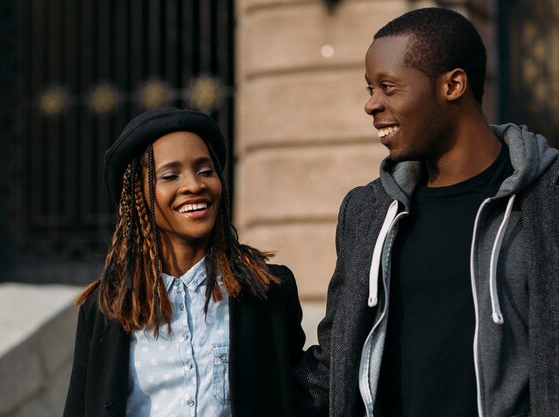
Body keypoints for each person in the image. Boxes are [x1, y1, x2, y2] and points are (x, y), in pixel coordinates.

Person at [294, 7, 559, 417]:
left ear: (452, 85)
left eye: (388, 87)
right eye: (369, 89)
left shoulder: (547, 197)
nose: (371, 105)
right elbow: (335, 363)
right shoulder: (367, 210)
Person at [63, 107, 305, 417]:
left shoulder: (268, 291)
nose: (194, 185)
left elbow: (300, 395)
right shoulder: (106, 308)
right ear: (139, 195)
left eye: (206, 171)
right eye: (170, 175)